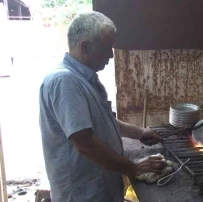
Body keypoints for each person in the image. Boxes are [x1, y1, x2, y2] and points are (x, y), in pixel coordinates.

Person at [39, 11, 166, 202]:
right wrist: (135, 167)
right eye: (107, 48)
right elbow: (84, 143)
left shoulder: (84, 79)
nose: (111, 55)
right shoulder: (65, 81)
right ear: (85, 47)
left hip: (98, 190)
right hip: (82, 195)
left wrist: (139, 132)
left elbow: (103, 122)